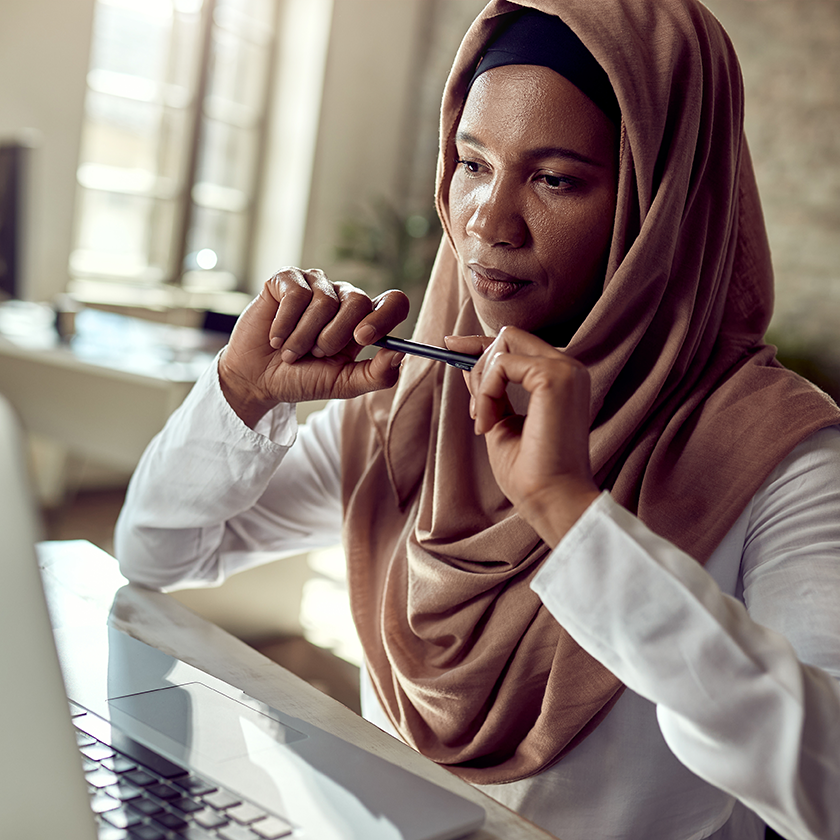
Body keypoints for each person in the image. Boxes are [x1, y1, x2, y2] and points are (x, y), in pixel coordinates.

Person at [115, 2, 840, 838]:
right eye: (471, 163)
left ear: (660, 205)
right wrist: (243, 393)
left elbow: (826, 789)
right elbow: (156, 554)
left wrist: (571, 514)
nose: (488, 223)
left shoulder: (782, 457)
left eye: (555, 178)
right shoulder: (413, 407)